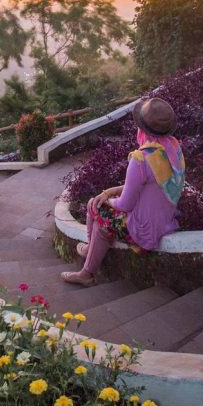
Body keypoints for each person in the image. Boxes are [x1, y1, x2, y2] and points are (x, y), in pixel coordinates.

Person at [61, 97, 185, 287]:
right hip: (163, 219)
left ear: (142, 130)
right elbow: (149, 185)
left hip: (144, 230)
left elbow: (125, 204)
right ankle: (90, 252)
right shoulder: (172, 149)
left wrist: (107, 200)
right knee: (102, 215)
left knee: (94, 206)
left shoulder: (141, 159)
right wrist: (110, 191)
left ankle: (87, 268)